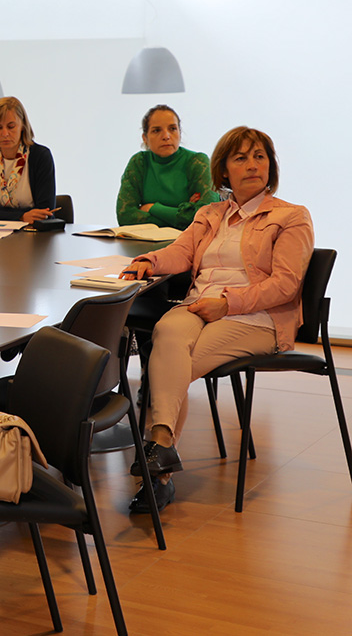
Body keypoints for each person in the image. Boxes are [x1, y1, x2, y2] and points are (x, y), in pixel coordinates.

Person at [119, 126, 312, 512]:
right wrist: (149, 261)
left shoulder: (291, 217)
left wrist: (229, 303)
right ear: (223, 171)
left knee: (174, 363)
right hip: (200, 307)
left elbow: (285, 286)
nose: (252, 165)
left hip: (258, 319)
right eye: (240, 158)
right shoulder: (211, 214)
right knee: (165, 331)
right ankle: (163, 447)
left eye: (259, 156)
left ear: (270, 166)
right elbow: (180, 252)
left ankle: (159, 473)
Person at [116, 104, 220, 229]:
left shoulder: (197, 162)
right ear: (145, 138)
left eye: (172, 129)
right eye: (156, 130)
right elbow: (125, 216)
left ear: (180, 133)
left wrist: (153, 208)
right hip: (146, 242)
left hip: (191, 242)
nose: (166, 136)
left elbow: (207, 216)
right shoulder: (139, 162)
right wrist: (182, 212)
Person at [0, 96, 57, 223]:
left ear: (23, 126)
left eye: (11, 127)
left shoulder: (40, 156)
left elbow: (44, 214)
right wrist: (22, 216)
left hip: (33, 237)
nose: (4, 134)